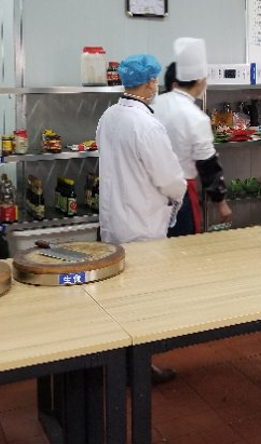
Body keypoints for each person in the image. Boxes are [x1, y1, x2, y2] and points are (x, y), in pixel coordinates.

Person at [96, 53, 187, 384]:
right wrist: (178, 194)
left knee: (119, 300)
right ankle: (138, 372)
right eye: (154, 81)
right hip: (142, 227)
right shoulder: (147, 124)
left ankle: (120, 367)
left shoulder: (109, 116)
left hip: (113, 223)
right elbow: (169, 178)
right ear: (149, 83)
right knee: (143, 302)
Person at [153, 38, 232, 236]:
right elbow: (208, 165)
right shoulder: (196, 117)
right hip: (180, 193)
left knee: (154, 243)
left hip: (149, 191)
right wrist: (221, 203)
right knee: (182, 246)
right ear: (199, 80)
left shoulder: (153, 104)